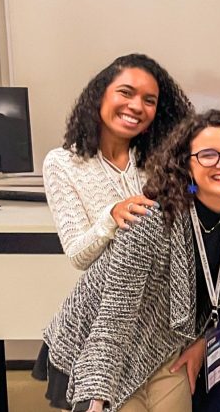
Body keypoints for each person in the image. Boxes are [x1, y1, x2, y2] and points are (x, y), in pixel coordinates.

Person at [42, 110, 220, 412]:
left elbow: (219, 297)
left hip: (164, 347)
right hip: (102, 350)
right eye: (208, 155)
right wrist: (94, 397)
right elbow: (113, 322)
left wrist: (203, 341)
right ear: (185, 165)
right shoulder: (150, 223)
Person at [35, 53, 194, 409]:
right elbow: (78, 253)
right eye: (126, 92)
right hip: (101, 327)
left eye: (149, 100)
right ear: (100, 95)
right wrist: (112, 216)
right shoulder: (62, 163)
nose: (136, 106)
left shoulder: (161, 161)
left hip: (159, 324)